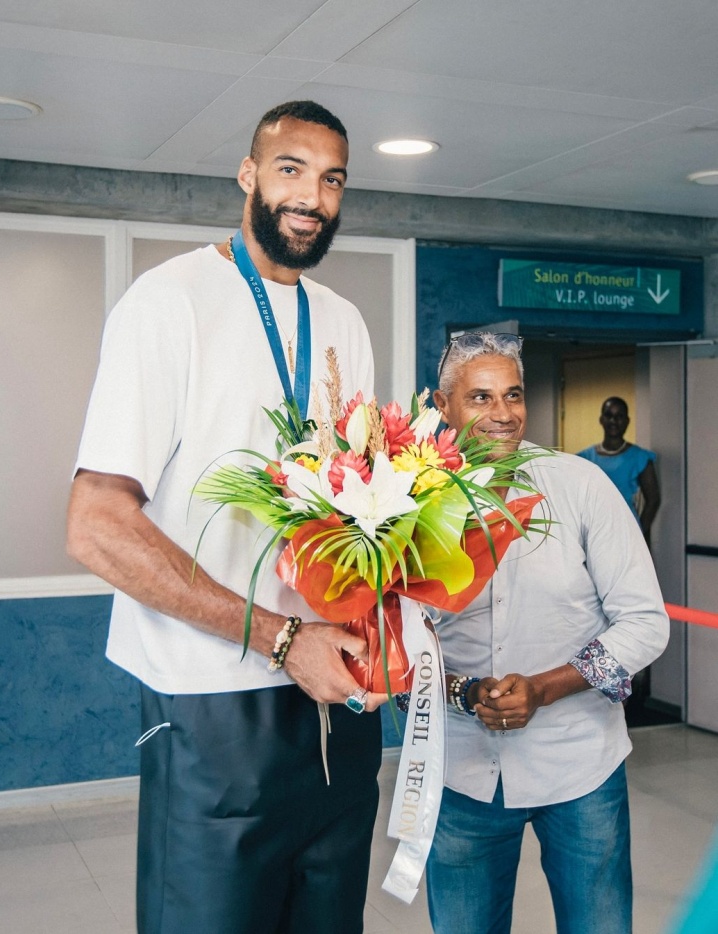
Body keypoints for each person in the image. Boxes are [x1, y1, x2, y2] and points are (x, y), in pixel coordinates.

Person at [67, 100, 386, 934]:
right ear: (247, 176)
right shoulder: (167, 301)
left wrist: (384, 634)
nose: (311, 195)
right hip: (211, 703)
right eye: (290, 170)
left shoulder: (344, 323)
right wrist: (282, 638)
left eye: (331, 179)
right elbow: (96, 524)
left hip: (332, 700)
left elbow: (352, 512)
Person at [424, 332, 670, 934]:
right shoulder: (409, 501)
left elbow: (645, 621)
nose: (502, 414)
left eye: (513, 395)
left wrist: (546, 687)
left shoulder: (580, 486)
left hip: (580, 767)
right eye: (480, 398)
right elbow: (398, 642)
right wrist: (463, 693)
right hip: (460, 769)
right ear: (443, 405)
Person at [577, 396, 661, 545]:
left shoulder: (639, 457)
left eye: (619, 416)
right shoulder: (585, 457)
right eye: (609, 415)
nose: (613, 421)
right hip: (594, 533)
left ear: (627, 421)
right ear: (601, 419)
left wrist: (638, 532)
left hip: (627, 533)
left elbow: (653, 500)